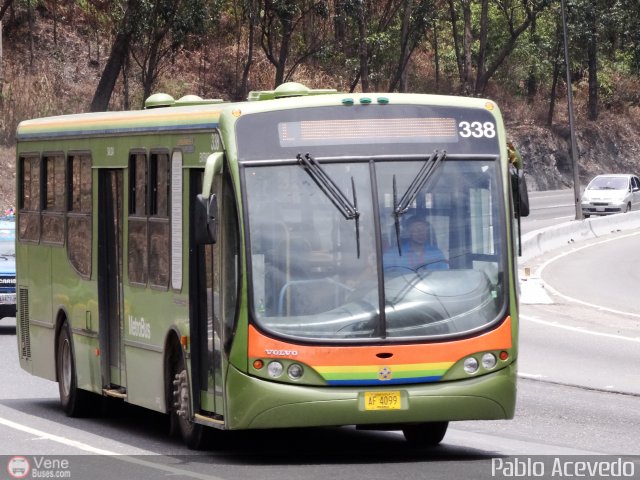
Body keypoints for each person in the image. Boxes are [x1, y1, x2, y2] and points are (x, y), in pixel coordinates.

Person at [384, 216, 448, 271]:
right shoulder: (393, 254)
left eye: (423, 230)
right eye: (416, 230)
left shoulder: (436, 253)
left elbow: (443, 275)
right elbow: (387, 278)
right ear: (408, 233)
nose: (420, 233)